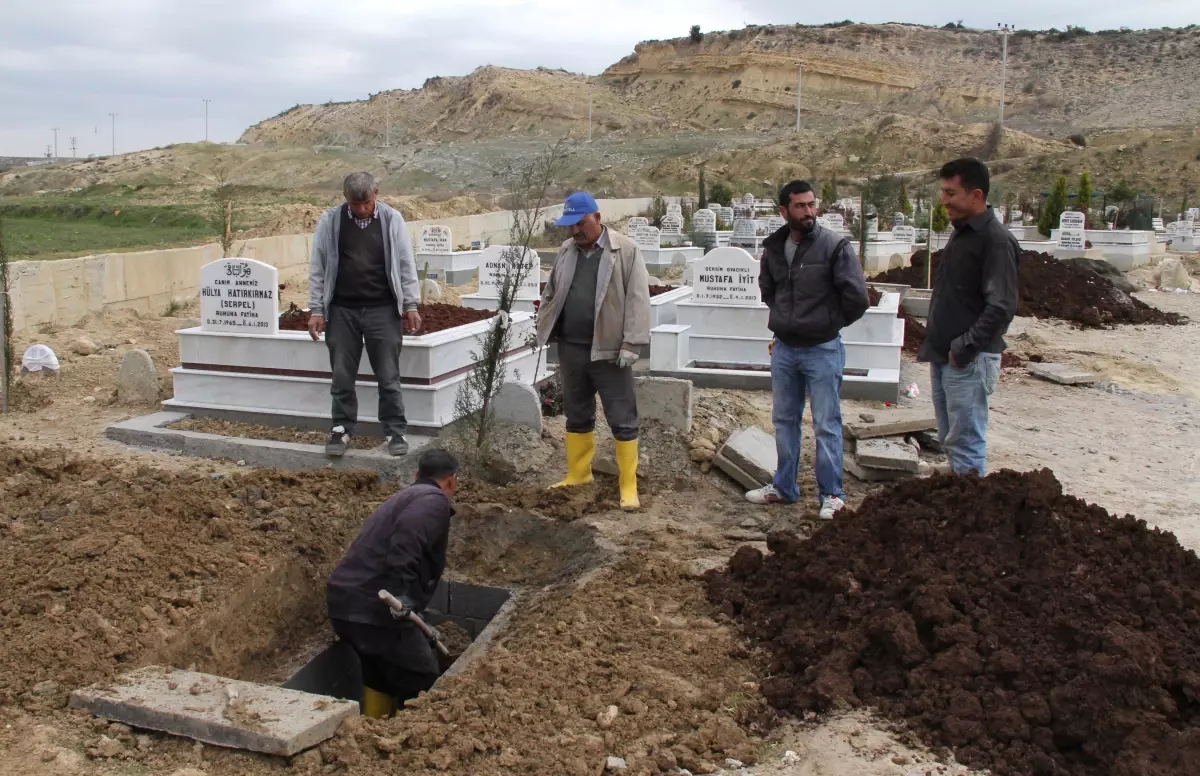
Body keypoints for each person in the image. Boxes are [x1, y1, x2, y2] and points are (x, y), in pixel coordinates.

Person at [746, 180, 869, 519]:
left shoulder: (834, 247)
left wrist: (828, 323)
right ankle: (785, 487)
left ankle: (832, 494)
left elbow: (857, 297)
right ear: (784, 211)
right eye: (800, 206)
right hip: (785, 348)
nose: (808, 212)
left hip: (823, 349)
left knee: (827, 423)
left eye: (812, 204)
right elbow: (767, 289)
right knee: (784, 420)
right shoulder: (774, 248)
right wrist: (786, 320)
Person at [536, 192, 651, 510]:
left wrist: (632, 342)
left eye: (581, 224)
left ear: (597, 218)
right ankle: (578, 473)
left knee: (621, 416)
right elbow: (551, 292)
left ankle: (628, 485)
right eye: (570, 226)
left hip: (609, 349)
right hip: (572, 347)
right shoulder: (566, 250)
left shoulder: (624, 250)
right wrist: (543, 323)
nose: (575, 231)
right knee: (577, 412)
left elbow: (638, 300)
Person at [326, 448, 459, 717]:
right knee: (423, 676)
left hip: (348, 605)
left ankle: (373, 729)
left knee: (378, 672)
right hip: (377, 608)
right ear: (452, 481)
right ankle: (409, 742)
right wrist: (400, 594)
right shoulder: (433, 500)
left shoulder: (405, 496)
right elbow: (408, 538)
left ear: (417, 475)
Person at [307, 172, 421, 458]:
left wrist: (410, 306)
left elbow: (406, 264)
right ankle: (341, 428)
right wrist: (317, 310)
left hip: (382, 309)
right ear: (345, 198)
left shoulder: (392, 220)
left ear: (377, 194)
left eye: (366, 203)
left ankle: (395, 430)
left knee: (388, 376)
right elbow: (318, 266)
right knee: (342, 376)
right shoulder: (331, 220)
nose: (360, 209)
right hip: (342, 310)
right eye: (354, 204)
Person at [919, 158, 1019, 475]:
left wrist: (965, 346)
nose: (944, 201)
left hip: (968, 360)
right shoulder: (963, 234)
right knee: (952, 440)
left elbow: (1001, 305)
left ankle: (970, 512)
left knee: (966, 445)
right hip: (948, 357)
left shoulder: (995, 239)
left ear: (976, 195)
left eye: (951, 193)